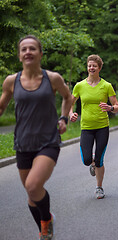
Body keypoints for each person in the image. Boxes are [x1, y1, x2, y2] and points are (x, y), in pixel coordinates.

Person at [0, 35, 73, 240]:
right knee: (32, 195)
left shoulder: (53, 78)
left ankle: (46, 223)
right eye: (24, 49)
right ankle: (45, 227)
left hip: (48, 141)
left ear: (40, 53)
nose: (28, 52)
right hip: (23, 143)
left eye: (32, 48)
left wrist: (63, 118)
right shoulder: (11, 82)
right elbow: (1, 106)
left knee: (33, 186)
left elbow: (68, 97)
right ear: (19, 55)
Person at [69, 54, 118, 199]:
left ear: (99, 68)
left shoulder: (106, 86)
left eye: (94, 66)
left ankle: (99, 187)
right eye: (89, 65)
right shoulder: (80, 86)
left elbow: (117, 107)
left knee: (100, 160)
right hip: (86, 127)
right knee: (86, 160)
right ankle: (92, 162)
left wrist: (110, 108)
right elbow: (70, 104)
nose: (91, 68)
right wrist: (71, 114)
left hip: (102, 126)